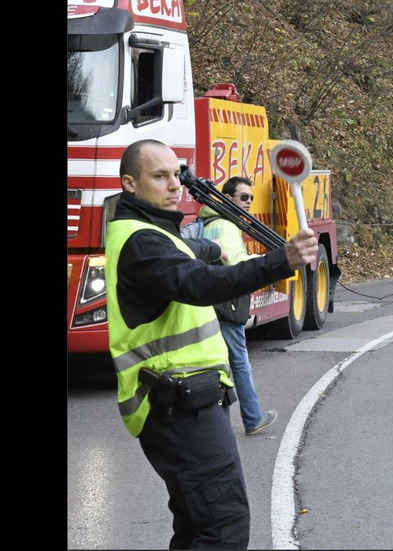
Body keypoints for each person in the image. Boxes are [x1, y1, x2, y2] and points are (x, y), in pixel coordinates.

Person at [105, 139, 318, 549]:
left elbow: (189, 249)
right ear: (130, 183)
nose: (174, 185)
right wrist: (280, 260)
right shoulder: (142, 242)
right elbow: (198, 283)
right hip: (178, 407)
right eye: (159, 176)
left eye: (175, 174)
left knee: (195, 530)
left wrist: (216, 246)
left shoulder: (151, 231)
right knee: (224, 529)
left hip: (183, 403)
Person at [200, 176, 277, 436]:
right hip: (226, 302)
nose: (248, 202)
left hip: (206, 300)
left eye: (251, 198)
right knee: (239, 361)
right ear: (228, 197)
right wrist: (266, 261)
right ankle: (253, 418)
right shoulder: (226, 226)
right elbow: (236, 264)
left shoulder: (206, 221)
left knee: (210, 364)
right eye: (243, 197)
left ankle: (208, 424)